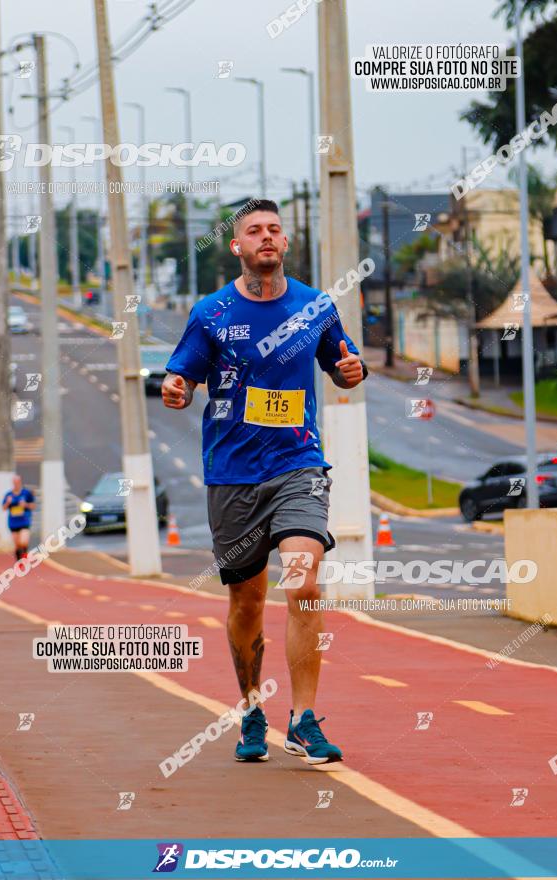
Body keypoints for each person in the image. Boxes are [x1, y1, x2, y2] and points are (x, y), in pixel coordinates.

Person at [162, 199, 368, 765]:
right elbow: (181, 374)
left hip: (298, 465)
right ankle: (252, 708)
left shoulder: (315, 306)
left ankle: (303, 720)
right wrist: (176, 387)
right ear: (237, 247)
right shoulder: (211, 312)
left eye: (275, 229)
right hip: (232, 473)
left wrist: (353, 370)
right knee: (247, 600)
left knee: (302, 582)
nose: (267, 237)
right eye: (254, 230)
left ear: (284, 241)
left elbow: (343, 364)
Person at [2, 474, 35, 561]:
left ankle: (24, 557)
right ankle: (19, 562)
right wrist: (8, 503)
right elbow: (4, 508)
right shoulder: (8, 494)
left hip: (24, 521)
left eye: (17, 482)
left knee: (23, 542)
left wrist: (26, 504)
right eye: (14, 482)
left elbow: (33, 506)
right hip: (13, 523)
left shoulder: (26, 493)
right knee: (17, 545)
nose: (16, 484)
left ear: (20, 482)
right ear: (13, 483)